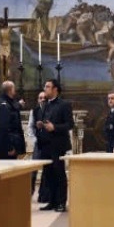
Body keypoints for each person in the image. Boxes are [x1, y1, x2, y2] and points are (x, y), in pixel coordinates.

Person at [35, 79, 73, 212]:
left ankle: (61, 202)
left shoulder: (64, 105)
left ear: (55, 89)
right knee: (48, 174)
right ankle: (52, 201)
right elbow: (45, 121)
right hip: (45, 145)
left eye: (47, 86)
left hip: (57, 145)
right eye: (45, 86)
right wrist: (40, 125)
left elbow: (69, 124)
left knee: (59, 174)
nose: (45, 89)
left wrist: (54, 127)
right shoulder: (45, 104)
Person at [0, 81, 26, 160]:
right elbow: (3, 127)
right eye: (14, 88)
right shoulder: (3, 105)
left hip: (11, 143)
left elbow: (12, 109)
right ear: (10, 90)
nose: (15, 90)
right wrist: (9, 147)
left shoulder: (6, 101)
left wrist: (19, 105)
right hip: (7, 147)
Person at [28, 92, 49, 200]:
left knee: (47, 169)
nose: (42, 99)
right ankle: (30, 191)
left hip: (48, 143)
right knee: (34, 168)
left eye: (44, 98)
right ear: (38, 100)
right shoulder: (34, 111)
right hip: (38, 143)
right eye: (40, 98)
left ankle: (43, 195)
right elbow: (30, 127)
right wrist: (35, 139)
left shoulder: (50, 110)